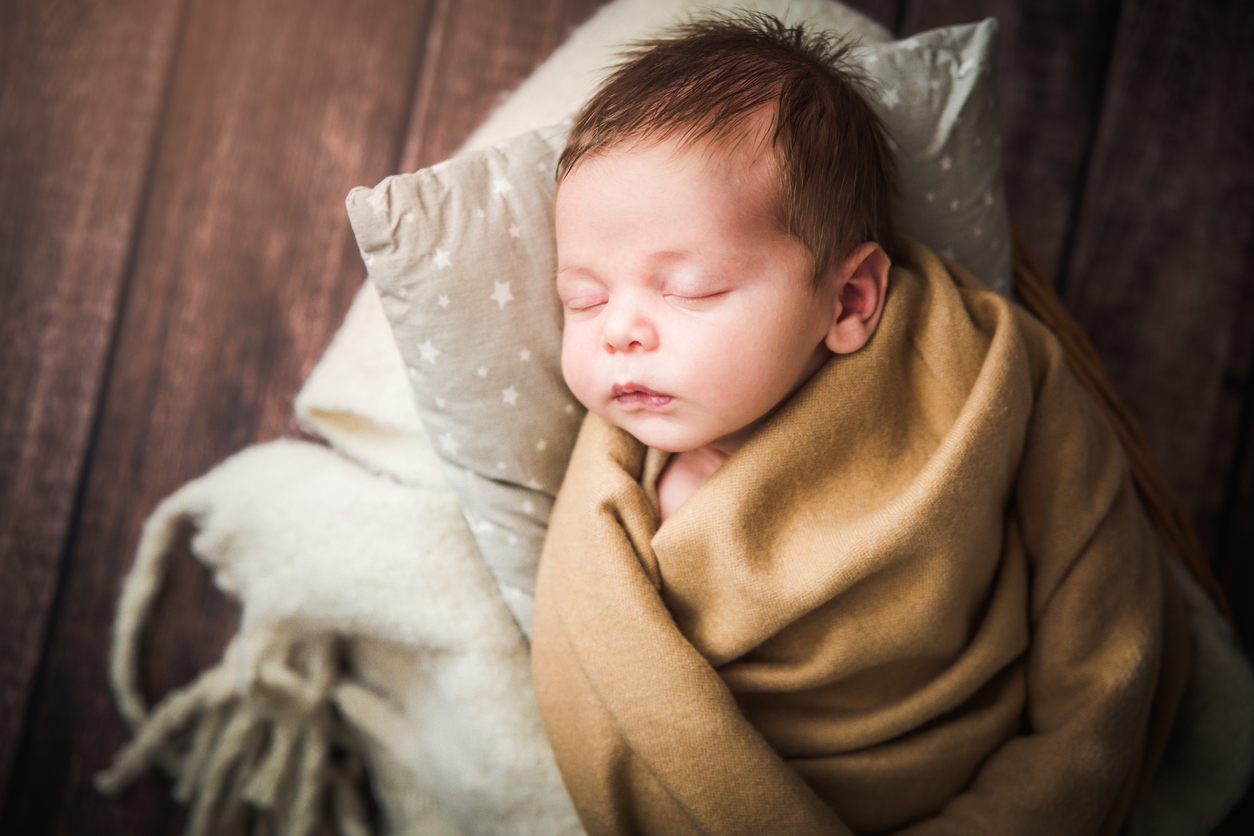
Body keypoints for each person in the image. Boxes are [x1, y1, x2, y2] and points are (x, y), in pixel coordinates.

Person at [531, 12, 1189, 836]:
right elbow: (602, 687)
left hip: (978, 740)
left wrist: (1060, 779)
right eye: (584, 298)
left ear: (848, 301)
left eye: (691, 289)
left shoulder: (977, 366)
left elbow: (1099, 568)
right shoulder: (614, 500)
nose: (619, 331)